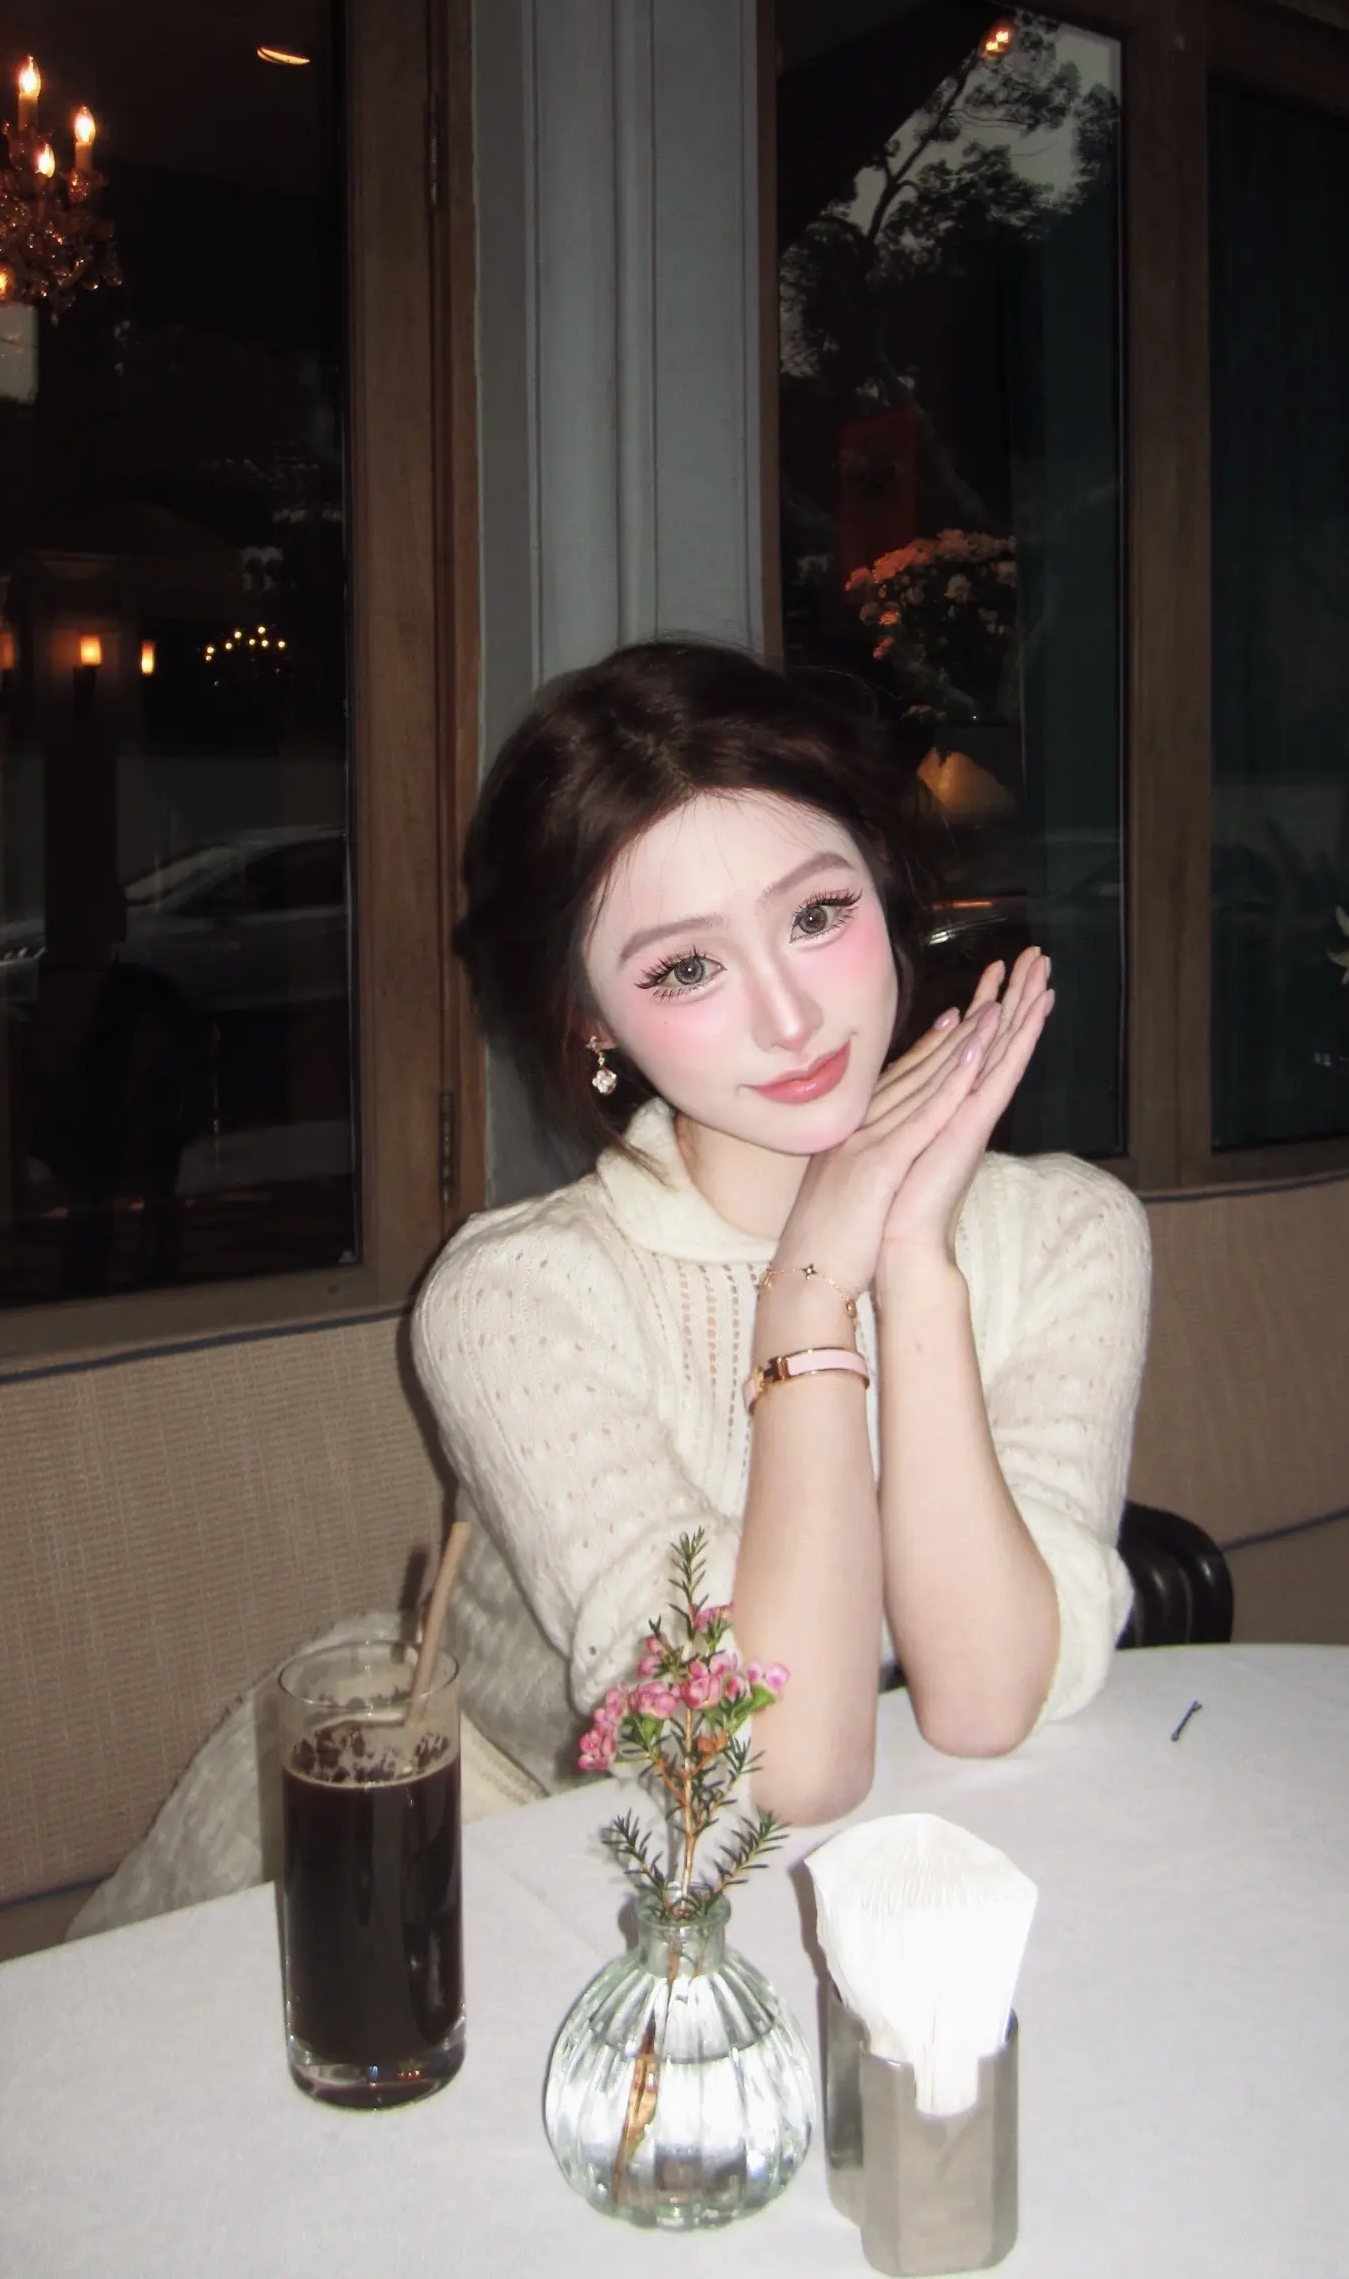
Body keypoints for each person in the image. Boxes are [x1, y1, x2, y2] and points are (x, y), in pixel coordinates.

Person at [412, 640, 1149, 1823]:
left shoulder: (1067, 1233)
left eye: (815, 914)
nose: (790, 1016)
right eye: (685, 968)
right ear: (589, 1019)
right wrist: (807, 1290)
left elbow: (985, 1702)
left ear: (886, 889)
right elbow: (776, 1769)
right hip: (535, 1872)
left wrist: (911, 1264)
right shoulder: (520, 1300)